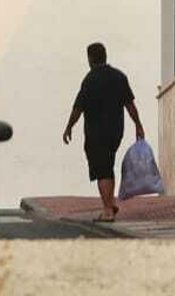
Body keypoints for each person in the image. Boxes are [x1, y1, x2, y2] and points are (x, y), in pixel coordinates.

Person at [62, 40, 144, 221]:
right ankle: (111, 203)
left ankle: (107, 211)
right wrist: (138, 125)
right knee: (108, 165)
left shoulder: (89, 80)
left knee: (102, 170)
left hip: (95, 133)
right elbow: (130, 105)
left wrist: (69, 127)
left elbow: (78, 108)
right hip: (116, 132)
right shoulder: (119, 77)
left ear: (90, 59)